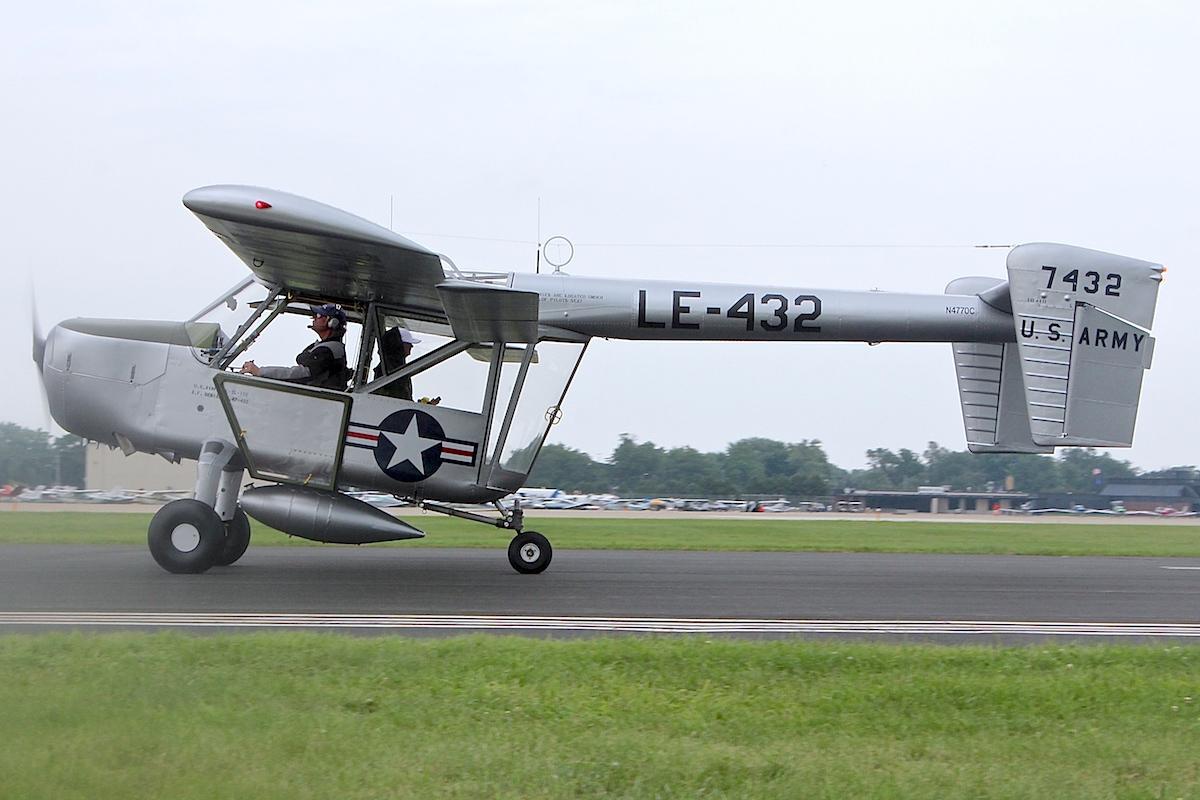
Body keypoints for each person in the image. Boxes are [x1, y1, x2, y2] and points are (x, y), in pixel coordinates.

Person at [240, 303, 351, 390]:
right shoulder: (323, 346)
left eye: (318, 315)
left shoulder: (328, 350)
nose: (314, 318)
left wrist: (260, 372)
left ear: (332, 322)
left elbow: (301, 374)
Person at [372, 326, 419, 400]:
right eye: (408, 343)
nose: (411, 346)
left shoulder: (394, 365)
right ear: (399, 344)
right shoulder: (391, 367)